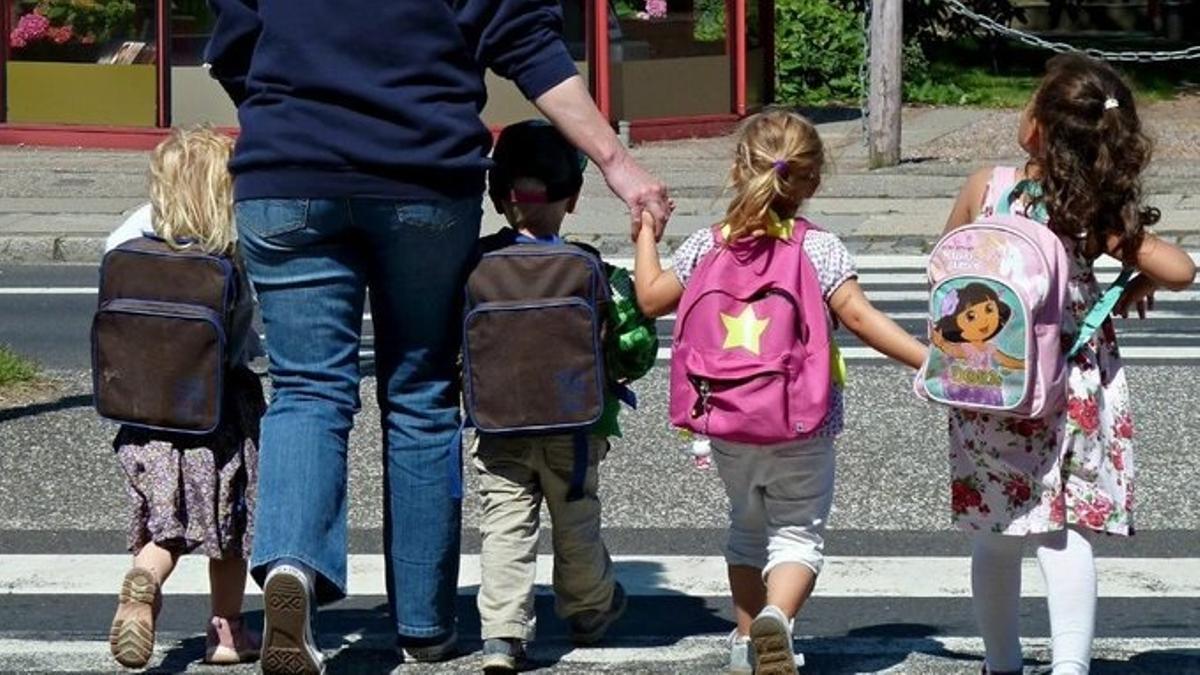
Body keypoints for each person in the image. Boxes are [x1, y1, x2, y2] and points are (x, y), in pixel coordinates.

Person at [203, 2, 672, 672]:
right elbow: (529, 46)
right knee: (420, 386)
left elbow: (234, 43)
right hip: (419, 175)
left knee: (307, 388)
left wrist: (290, 114)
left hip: (287, 171)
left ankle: (293, 571)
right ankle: (423, 625)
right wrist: (616, 163)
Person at [632, 110, 927, 675]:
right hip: (802, 423)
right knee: (796, 533)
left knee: (746, 529)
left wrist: (646, 233)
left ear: (740, 169)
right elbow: (861, 319)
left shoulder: (707, 244)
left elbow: (649, 298)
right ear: (811, 181)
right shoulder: (819, 250)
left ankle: (746, 648)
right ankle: (777, 618)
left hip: (725, 419)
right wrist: (932, 363)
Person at [940, 55, 1196, 675]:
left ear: (1036, 124)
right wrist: (1128, 286)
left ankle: (1002, 663)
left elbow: (946, 263)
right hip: (1069, 381)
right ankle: (1070, 667)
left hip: (991, 380)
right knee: (1064, 530)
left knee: (995, 533)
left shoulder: (987, 186)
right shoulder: (1091, 208)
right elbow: (1182, 269)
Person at [468, 120, 656, 673]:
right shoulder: (588, 267)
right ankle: (590, 609)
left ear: (497, 197)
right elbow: (632, 344)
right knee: (576, 519)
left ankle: (501, 633)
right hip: (575, 429)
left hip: (497, 423)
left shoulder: (474, 266)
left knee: (504, 524)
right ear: (572, 200)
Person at [105, 127, 263, 669]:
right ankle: (226, 633)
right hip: (214, 414)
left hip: (141, 409)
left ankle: (142, 581)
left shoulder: (126, 237)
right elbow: (242, 339)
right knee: (226, 526)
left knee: (160, 516)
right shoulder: (230, 249)